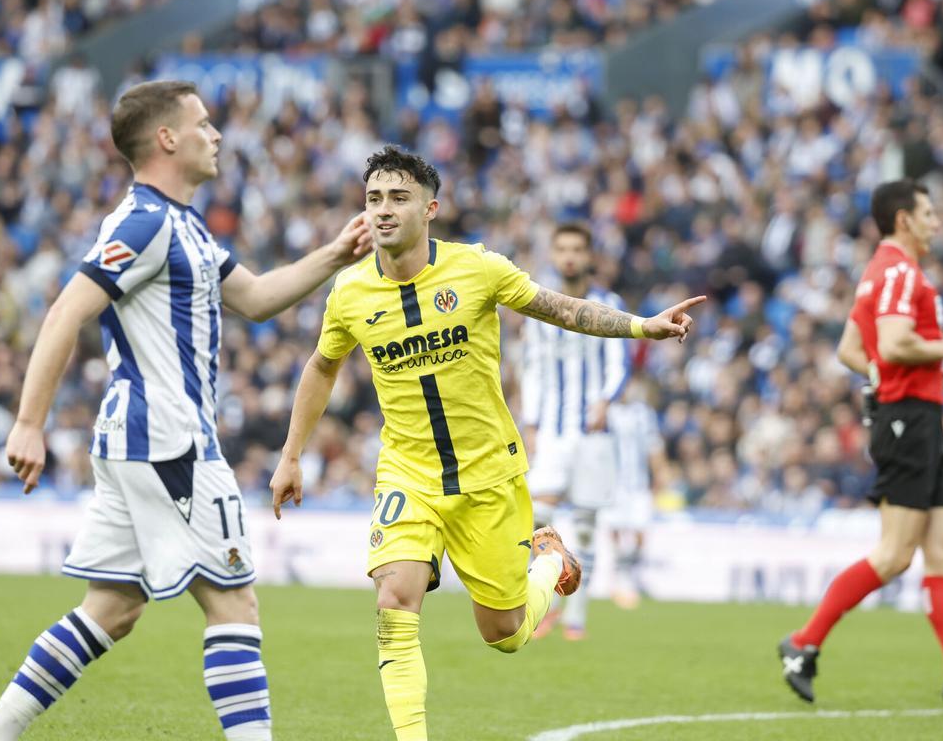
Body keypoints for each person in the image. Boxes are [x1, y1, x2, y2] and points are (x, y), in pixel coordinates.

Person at [0, 80, 372, 741]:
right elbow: (69, 310)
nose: (216, 135)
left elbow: (260, 297)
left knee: (112, 608)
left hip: (138, 444)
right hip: (171, 443)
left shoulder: (185, 226)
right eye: (204, 124)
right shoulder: (145, 222)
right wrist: (29, 421)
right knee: (234, 602)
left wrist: (334, 252)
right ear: (167, 138)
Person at [270, 145, 705, 740]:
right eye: (374, 199)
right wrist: (291, 454)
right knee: (395, 600)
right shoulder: (348, 293)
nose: (383, 210)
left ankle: (551, 563)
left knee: (502, 633)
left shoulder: (477, 269)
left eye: (399, 197)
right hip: (407, 474)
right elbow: (322, 368)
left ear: (431, 208)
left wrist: (640, 326)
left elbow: (561, 307)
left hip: (488, 477)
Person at [777, 179, 943, 713]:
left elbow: (850, 349)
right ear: (904, 220)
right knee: (893, 556)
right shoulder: (898, 271)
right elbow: (890, 343)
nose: (937, 221)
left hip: (916, 419)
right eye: (929, 213)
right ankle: (803, 641)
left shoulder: (884, 273)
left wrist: (885, 377)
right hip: (909, 422)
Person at [519, 222, 630, 641]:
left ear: (588, 256)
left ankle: (576, 617)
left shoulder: (609, 302)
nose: (568, 256)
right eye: (561, 248)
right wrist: (529, 421)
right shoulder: (538, 303)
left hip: (592, 431)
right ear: (553, 253)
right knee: (538, 518)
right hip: (550, 428)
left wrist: (604, 399)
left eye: (576, 249)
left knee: (584, 522)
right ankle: (544, 599)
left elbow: (621, 359)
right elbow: (531, 366)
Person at [603, 377, 668, 610]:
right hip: (614, 483)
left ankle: (629, 571)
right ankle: (619, 577)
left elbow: (654, 445)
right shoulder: (608, 412)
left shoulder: (643, 413)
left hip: (638, 483)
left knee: (641, 530)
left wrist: (660, 472)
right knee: (615, 529)